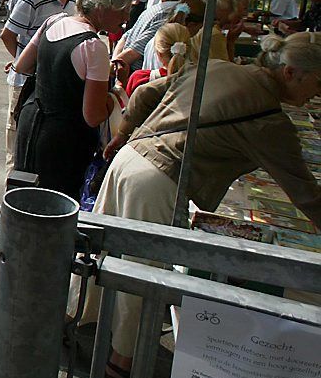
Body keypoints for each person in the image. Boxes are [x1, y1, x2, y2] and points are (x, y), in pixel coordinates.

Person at [80, 32, 321, 377]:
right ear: (291, 72)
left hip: (131, 157)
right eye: (317, 81)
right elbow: (306, 193)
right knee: (143, 276)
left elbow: (149, 91)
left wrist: (124, 132)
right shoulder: (269, 118)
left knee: (103, 252)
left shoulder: (218, 67)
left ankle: (82, 322)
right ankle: (121, 364)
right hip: (158, 178)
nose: (318, 92)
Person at [13, 0, 135, 198]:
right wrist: (115, 91)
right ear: (102, 7)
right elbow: (93, 115)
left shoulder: (54, 20)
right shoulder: (93, 46)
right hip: (63, 138)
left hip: (31, 121)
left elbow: (22, 65)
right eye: (123, 9)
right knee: (55, 201)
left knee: (23, 191)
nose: (126, 18)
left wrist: (59, 77)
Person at [1, 0, 81, 174]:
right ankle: (12, 186)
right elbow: (8, 34)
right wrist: (22, 61)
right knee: (17, 133)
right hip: (25, 81)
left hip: (52, 80)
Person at [111, 0, 197, 83]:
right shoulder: (170, 13)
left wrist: (115, 60)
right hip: (134, 72)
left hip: (127, 69)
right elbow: (137, 49)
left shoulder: (155, 8)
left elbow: (126, 36)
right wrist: (114, 67)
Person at [124, 23, 191, 96]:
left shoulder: (140, 79)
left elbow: (128, 105)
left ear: (159, 53)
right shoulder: (198, 80)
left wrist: (121, 83)